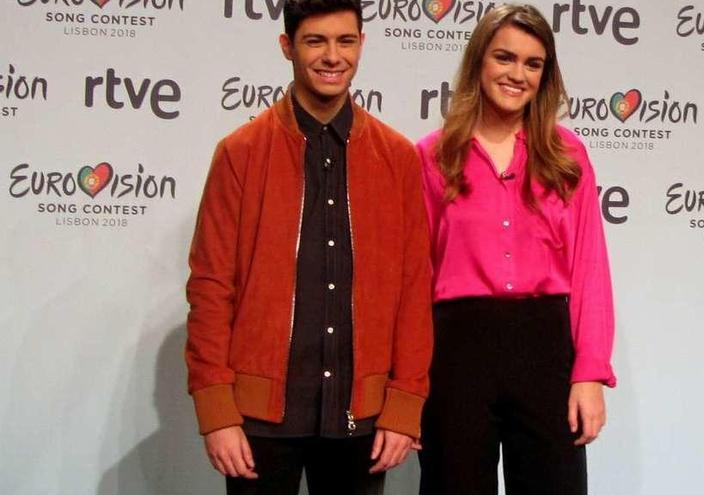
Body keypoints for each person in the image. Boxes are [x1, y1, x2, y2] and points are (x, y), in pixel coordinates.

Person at [184, 1, 433, 494]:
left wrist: (405, 405)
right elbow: (212, 287)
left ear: (361, 45)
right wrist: (216, 412)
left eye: (344, 41)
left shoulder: (399, 158)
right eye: (315, 41)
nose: (331, 56)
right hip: (258, 420)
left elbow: (413, 288)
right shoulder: (241, 152)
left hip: (361, 417)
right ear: (287, 47)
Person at [416, 5, 615, 495]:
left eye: (533, 63)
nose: (517, 74)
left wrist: (589, 373)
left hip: (544, 348)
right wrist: (408, 382)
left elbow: (590, 269)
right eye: (505, 58)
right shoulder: (434, 155)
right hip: (457, 351)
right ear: (479, 62)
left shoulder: (568, 156)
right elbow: (415, 275)